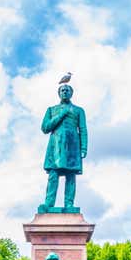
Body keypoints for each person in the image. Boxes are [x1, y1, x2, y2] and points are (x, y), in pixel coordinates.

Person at [39, 83, 88, 211]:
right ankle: (49, 203)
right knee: (53, 175)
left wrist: (84, 148)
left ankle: (69, 204)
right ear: (59, 93)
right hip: (55, 147)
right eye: (62, 90)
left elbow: (83, 129)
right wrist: (61, 114)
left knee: (71, 175)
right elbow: (45, 128)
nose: (65, 92)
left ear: (71, 93)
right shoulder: (51, 110)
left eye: (67, 90)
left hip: (73, 146)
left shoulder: (79, 110)